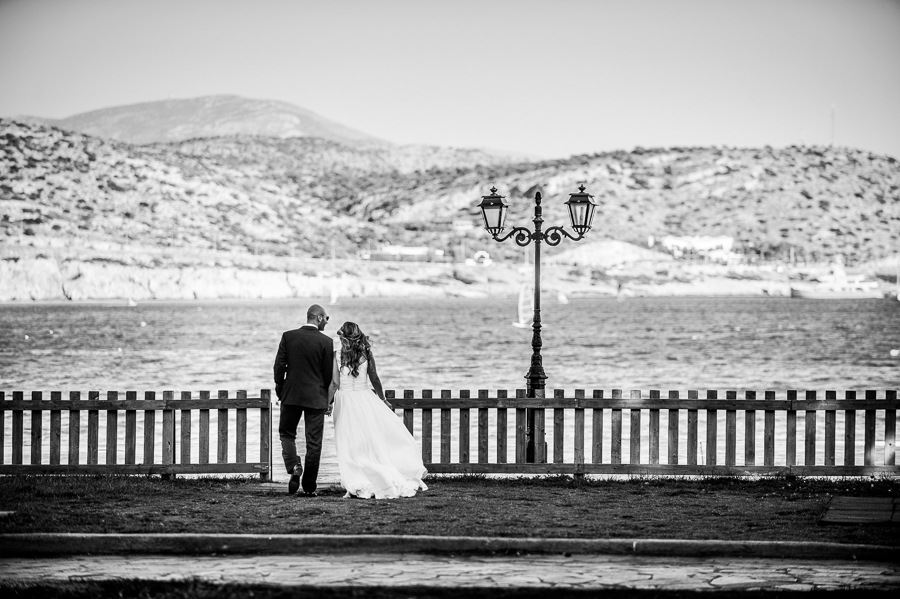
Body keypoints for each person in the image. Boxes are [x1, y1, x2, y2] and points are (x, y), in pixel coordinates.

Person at [329, 321, 427, 499]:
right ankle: (378, 474)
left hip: (345, 401)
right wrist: (382, 399)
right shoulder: (366, 353)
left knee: (348, 442)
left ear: (342, 336)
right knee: (370, 440)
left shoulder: (336, 355)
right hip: (365, 399)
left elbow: (335, 383)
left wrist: (328, 403)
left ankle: (356, 477)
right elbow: (374, 378)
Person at [273, 304, 335, 497]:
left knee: (286, 433)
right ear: (318, 318)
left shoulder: (288, 336)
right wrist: (327, 399)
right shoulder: (326, 342)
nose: (327, 321)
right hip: (316, 398)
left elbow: (278, 367)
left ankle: (294, 467)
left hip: (291, 395)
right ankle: (309, 487)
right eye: (326, 318)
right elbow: (327, 375)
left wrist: (281, 389)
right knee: (314, 443)